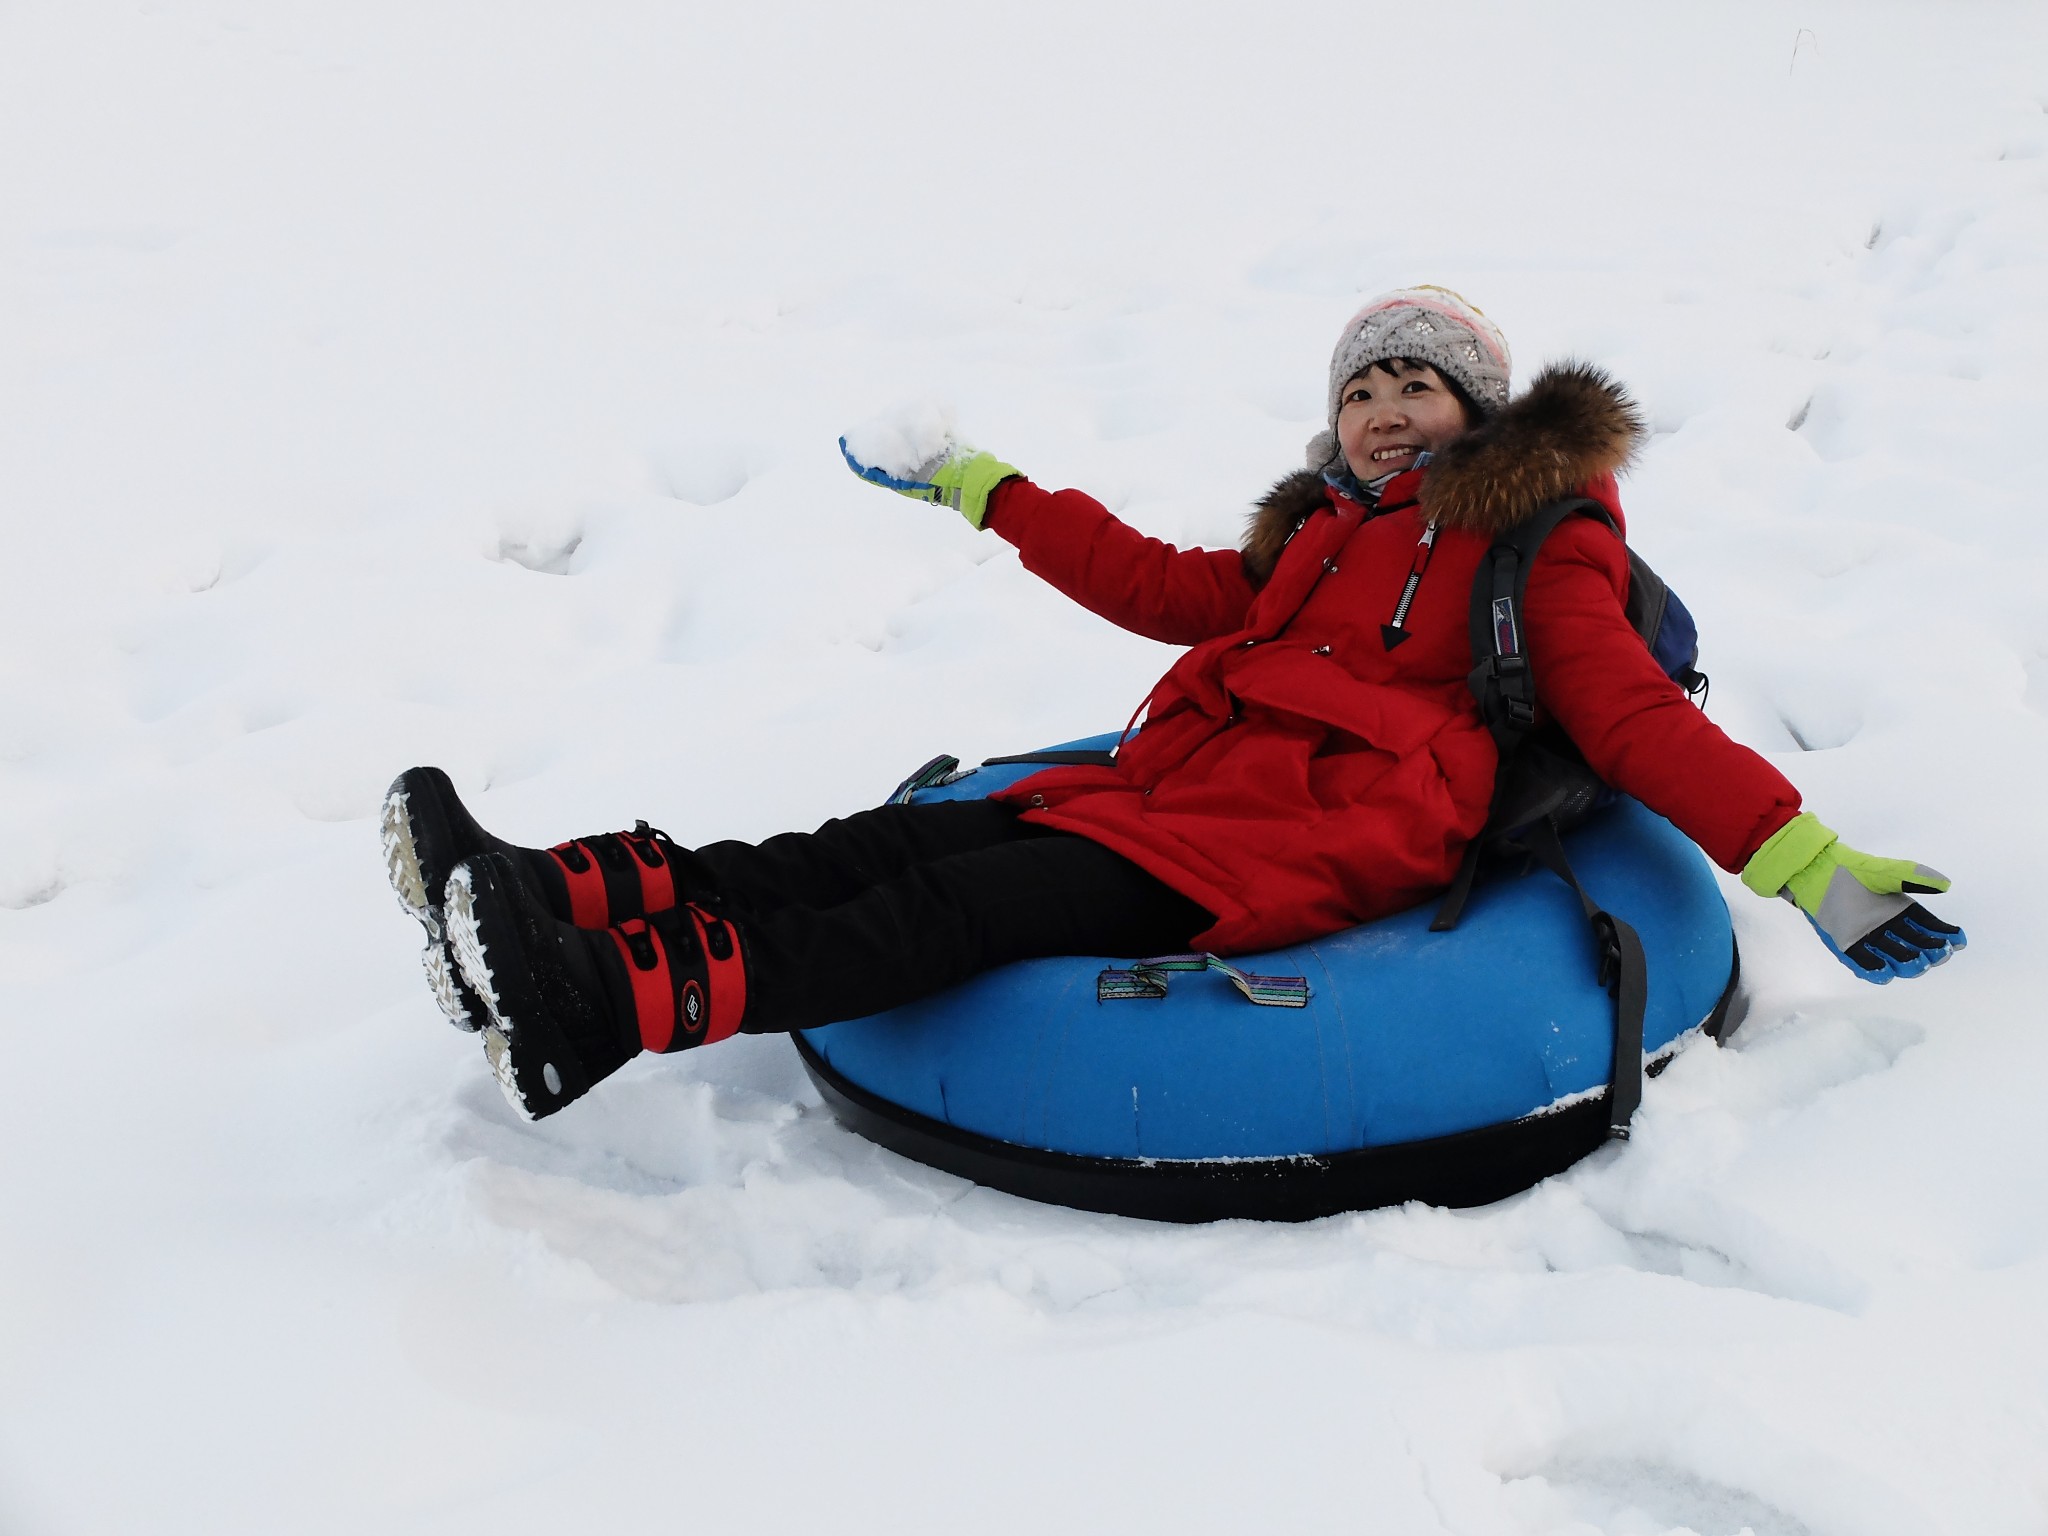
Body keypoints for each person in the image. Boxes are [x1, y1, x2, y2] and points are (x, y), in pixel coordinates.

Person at [383, 286, 1964, 1120]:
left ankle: (596, 1009)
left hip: (1301, 842)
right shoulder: (1319, 538)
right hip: (1178, 790)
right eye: (1360, 388)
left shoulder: (1533, 542)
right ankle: (541, 892)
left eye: (1418, 385)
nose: (1385, 409)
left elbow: (1630, 719)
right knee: (871, 844)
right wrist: (981, 485)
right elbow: (1149, 580)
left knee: (958, 903)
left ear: (1479, 412)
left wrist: (1807, 860)